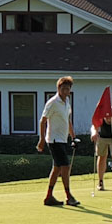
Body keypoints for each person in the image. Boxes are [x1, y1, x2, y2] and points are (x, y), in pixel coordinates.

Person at [37, 76, 80, 207]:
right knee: (65, 167)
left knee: (56, 169)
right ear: (58, 88)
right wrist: (41, 140)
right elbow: (42, 121)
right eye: (63, 88)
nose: (66, 91)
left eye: (68, 88)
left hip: (62, 139)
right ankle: (69, 196)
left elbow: (68, 121)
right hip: (54, 140)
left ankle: (49, 197)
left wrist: (73, 137)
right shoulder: (52, 102)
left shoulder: (67, 102)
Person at [92, 105, 112, 193]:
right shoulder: (100, 118)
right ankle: (100, 182)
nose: (108, 119)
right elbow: (94, 126)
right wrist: (94, 133)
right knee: (102, 157)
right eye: (106, 118)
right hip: (102, 137)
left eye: (110, 117)